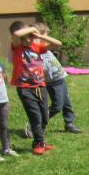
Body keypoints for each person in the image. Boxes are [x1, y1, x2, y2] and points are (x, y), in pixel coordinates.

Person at [9, 21, 61, 155]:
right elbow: (16, 34)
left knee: (45, 116)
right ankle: (39, 143)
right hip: (25, 88)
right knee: (35, 116)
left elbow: (58, 44)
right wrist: (32, 29)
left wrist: (39, 35)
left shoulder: (37, 47)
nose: (31, 39)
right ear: (21, 39)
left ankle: (40, 141)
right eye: (28, 36)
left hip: (40, 86)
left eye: (32, 36)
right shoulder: (17, 47)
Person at [35, 22, 81, 134]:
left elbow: (57, 44)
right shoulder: (36, 49)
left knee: (67, 103)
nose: (47, 38)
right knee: (57, 106)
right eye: (45, 35)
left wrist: (43, 37)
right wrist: (40, 37)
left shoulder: (46, 47)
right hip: (52, 82)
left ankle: (69, 123)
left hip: (60, 78)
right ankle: (37, 123)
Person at [0, 34, 18, 161]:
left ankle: (6, 148)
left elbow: (4, 79)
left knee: (4, 125)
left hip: (3, 100)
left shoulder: (0, 64)